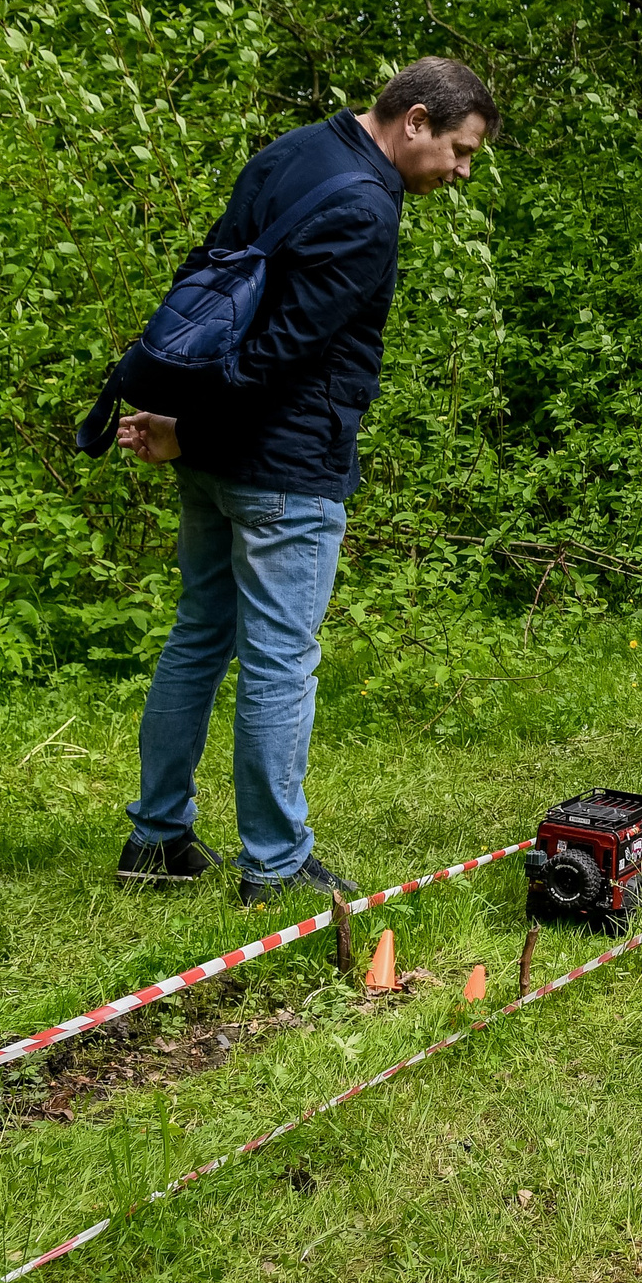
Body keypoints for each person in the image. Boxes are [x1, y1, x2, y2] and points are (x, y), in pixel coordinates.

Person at [99, 59, 499, 904]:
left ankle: (156, 840)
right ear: (416, 120)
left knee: (198, 638)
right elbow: (282, 356)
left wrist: (185, 427)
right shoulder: (365, 207)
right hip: (282, 470)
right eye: (459, 151)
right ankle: (275, 867)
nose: (461, 173)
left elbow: (208, 279)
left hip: (212, 458)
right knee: (279, 662)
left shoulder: (294, 151)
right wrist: (194, 429)